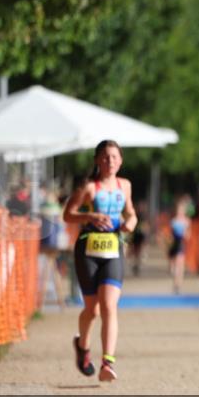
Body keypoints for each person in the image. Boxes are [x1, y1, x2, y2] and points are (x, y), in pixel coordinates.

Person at [62, 140, 138, 383]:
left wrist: (131, 223)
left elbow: (131, 212)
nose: (110, 161)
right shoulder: (88, 187)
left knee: (109, 306)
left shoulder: (125, 185)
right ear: (97, 160)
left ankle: (108, 362)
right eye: (105, 157)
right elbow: (68, 215)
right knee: (92, 310)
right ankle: (83, 346)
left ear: (121, 161)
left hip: (113, 248)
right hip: (88, 250)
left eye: (114, 157)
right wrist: (90, 216)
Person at [168, 196, 191, 294]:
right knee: (173, 266)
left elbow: (189, 236)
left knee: (179, 265)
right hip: (174, 244)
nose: (180, 211)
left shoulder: (186, 221)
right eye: (178, 209)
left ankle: (178, 284)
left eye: (181, 210)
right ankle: (175, 281)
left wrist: (184, 233)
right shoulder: (173, 221)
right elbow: (170, 235)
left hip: (181, 244)